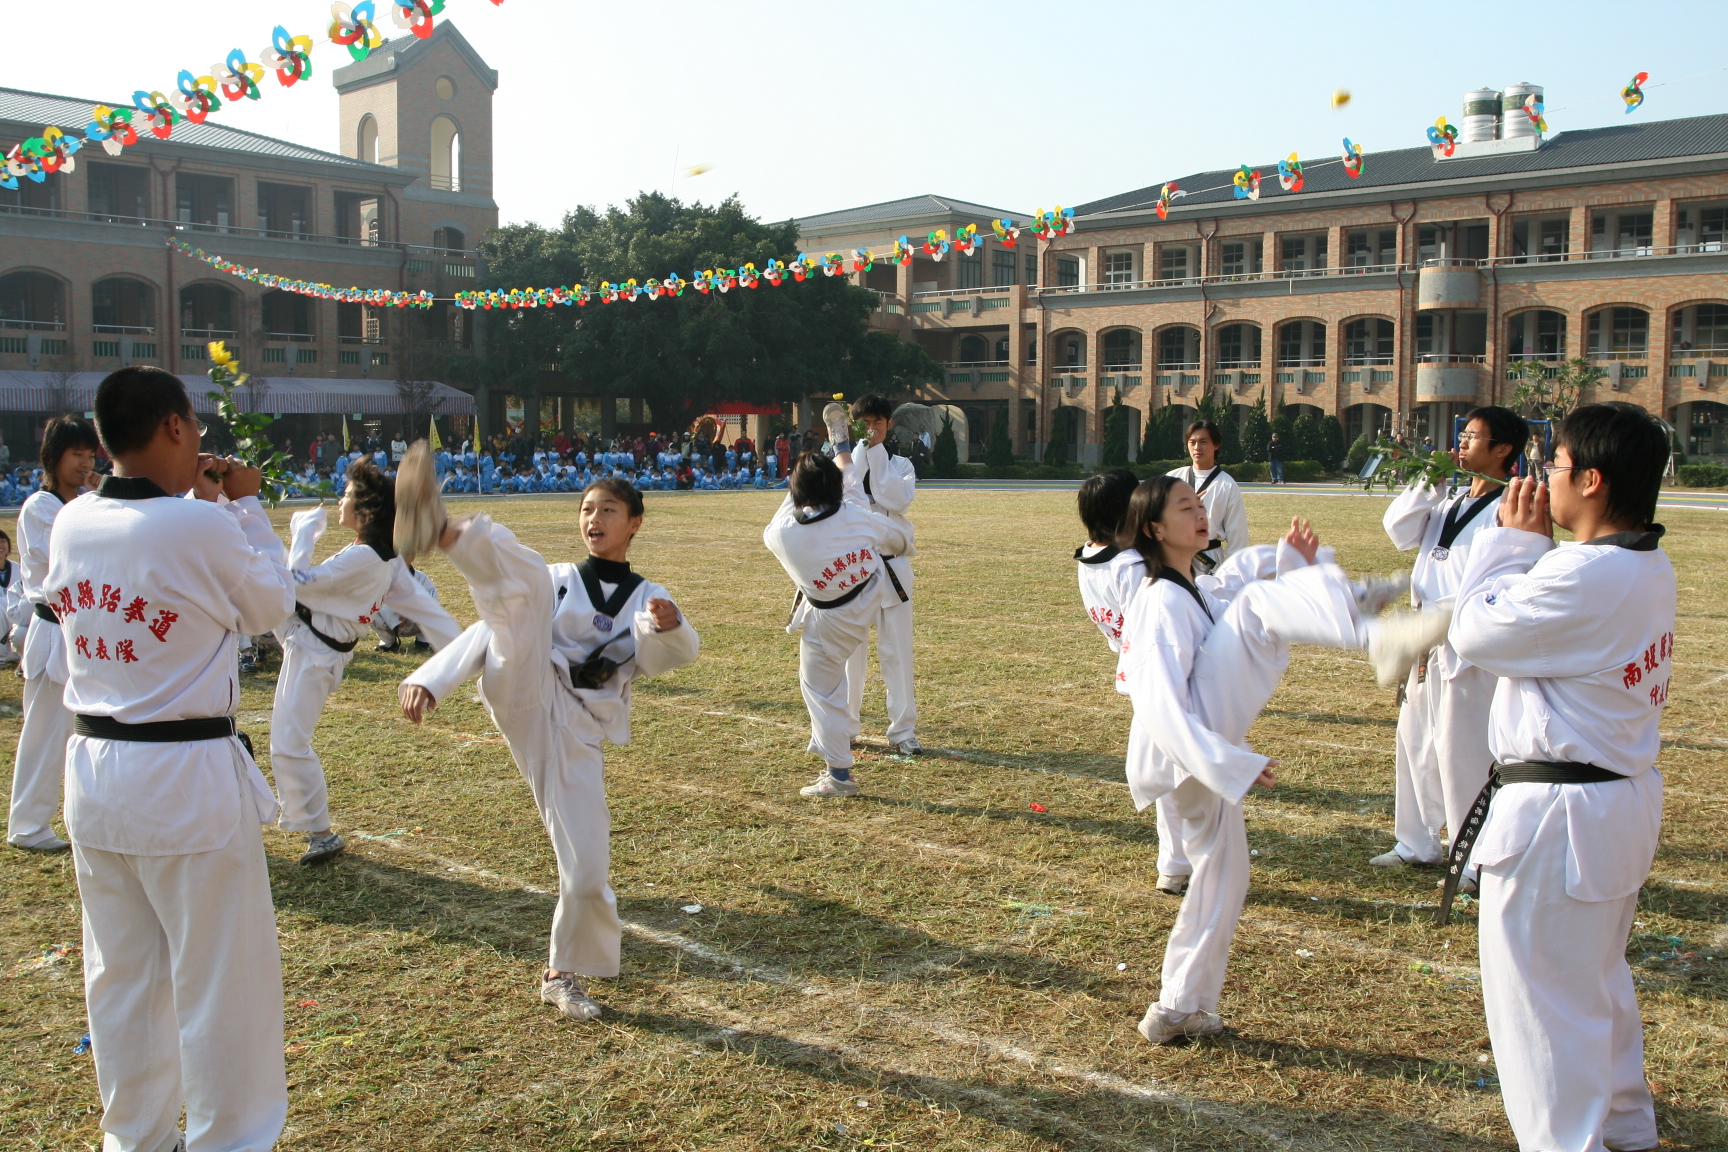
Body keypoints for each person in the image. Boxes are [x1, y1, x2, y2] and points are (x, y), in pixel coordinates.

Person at [51, 366, 297, 1152]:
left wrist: (204, 503)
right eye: (193, 426)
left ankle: (136, 1138)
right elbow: (272, 606)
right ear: (173, 426)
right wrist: (246, 505)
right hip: (182, 775)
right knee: (222, 981)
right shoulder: (200, 526)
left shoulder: (72, 522)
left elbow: (157, 545)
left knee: (122, 977)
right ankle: (231, 1139)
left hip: (95, 768)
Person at [1116, 476, 1441, 1045]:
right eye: (1185, 507)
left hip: (1204, 744)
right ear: (1155, 529)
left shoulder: (1192, 587)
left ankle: (1178, 1007)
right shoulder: (1160, 600)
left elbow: (1258, 605)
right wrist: (1226, 761)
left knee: (1224, 877)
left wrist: (1299, 568)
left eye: (1200, 504)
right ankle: (1375, 636)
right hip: (1189, 748)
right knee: (1256, 605)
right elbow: (1157, 702)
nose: (1201, 513)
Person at [396, 453, 700, 1021]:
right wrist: (431, 679)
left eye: (608, 510)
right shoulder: (556, 579)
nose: (594, 519)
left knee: (586, 869)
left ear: (635, 522)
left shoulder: (649, 595)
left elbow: (672, 652)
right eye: (586, 509)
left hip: (581, 727)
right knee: (526, 586)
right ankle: (444, 530)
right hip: (529, 687)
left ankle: (561, 974)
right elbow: (495, 627)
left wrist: (668, 625)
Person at [1447, 403, 1674, 1152]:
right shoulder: (1644, 563)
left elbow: (1475, 631)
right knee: (1593, 979)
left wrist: (1511, 546)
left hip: (1560, 815)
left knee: (1540, 1007)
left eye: (1558, 464)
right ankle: (1624, 1126)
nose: (1544, 477)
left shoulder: (1585, 572)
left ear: (1593, 480)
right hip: (1612, 799)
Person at [270, 459, 460, 865]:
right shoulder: (382, 558)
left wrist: (302, 533)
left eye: (347, 495)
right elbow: (431, 614)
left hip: (313, 652)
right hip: (309, 642)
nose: (341, 501)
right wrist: (464, 655)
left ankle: (320, 833)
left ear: (367, 511)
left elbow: (295, 584)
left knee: (289, 742)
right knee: (288, 741)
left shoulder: (369, 559)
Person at [1374, 406, 1528, 874]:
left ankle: (1473, 858)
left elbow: (1509, 581)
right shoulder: (1448, 501)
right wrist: (1429, 481)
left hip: (1467, 644)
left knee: (1462, 751)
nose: (1462, 442)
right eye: (1463, 435)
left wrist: (1448, 619)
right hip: (1424, 640)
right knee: (1413, 740)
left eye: (1474, 436)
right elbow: (1398, 530)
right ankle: (1416, 843)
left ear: (1502, 449)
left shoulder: (1510, 508)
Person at [763, 450, 912, 798]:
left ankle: (839, 775)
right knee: (834, 683)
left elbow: (787, 511)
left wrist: (803, 480)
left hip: (829, 620)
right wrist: (842, 460)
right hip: (868, 597)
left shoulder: (782, 533)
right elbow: (899, 540)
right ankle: (829, 747)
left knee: (821, 692)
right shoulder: (856, 515)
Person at [1075, 468, 1195, 892]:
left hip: (1137, 673)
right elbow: (1158, 620)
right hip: (1160, 673)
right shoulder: (1131, 566)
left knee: (1172, 768)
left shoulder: (1089, 560)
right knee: (1184, 769)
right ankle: (1179, 862)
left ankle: (1176, 862)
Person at [6, 415, 99, 852]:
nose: (85, 463)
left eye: (90, 455)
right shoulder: (41, 506)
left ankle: (83, 817)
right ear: (54, 457)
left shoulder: (82, 501)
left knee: (84, 730)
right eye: (76, 454)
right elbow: (70, 560)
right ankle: (27, 826)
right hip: (54, 628)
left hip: (82, 629)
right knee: (45, 733)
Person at [838, 397, 923, 756]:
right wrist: (855, 453)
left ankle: (903, 730)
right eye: (864, 423)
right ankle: (843, 728)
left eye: (877, 422)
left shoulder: (901, 464)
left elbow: (897, 500)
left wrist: (874, 454)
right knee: (849, 654)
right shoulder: (843, 463)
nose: (870, 429)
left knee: (897, 652)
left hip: (892, 566)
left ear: (889, 424)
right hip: (853, 567)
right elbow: (845, 495)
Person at [1167, 420, 1248, 572]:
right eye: (1192, 442)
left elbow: (1237, 536)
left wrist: (1233, 573)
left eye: (1203, 442)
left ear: (1216, 445)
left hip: (1209, 559)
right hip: (1174, 556)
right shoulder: (1172, 479)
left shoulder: (1227, 485)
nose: (1197, 447)